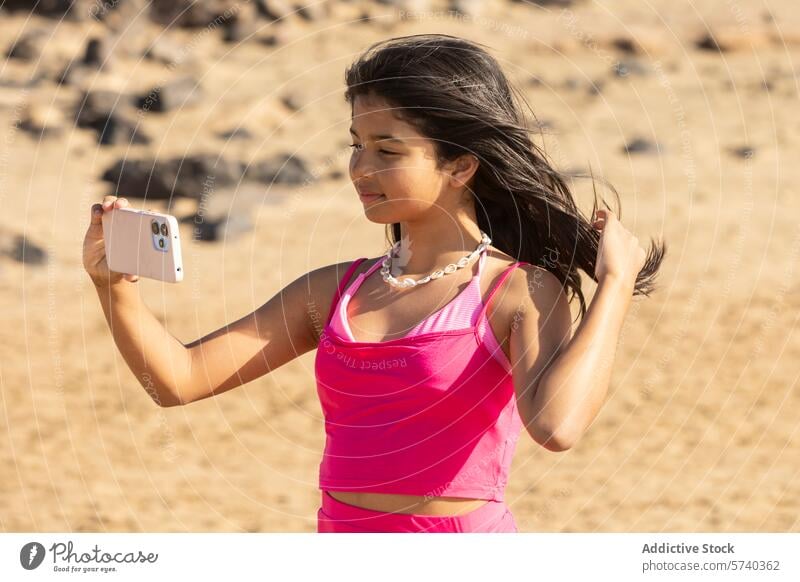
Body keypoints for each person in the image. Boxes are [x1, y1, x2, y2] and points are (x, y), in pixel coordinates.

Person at [82, 33, 665, 533]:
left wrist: (613, 286)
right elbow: (178, 381)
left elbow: (557, 427)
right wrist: (115, 289)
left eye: (387, 150)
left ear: (460, 166)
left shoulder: (517, 291)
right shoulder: (331, 293)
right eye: (357, 146)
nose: (360, 169)